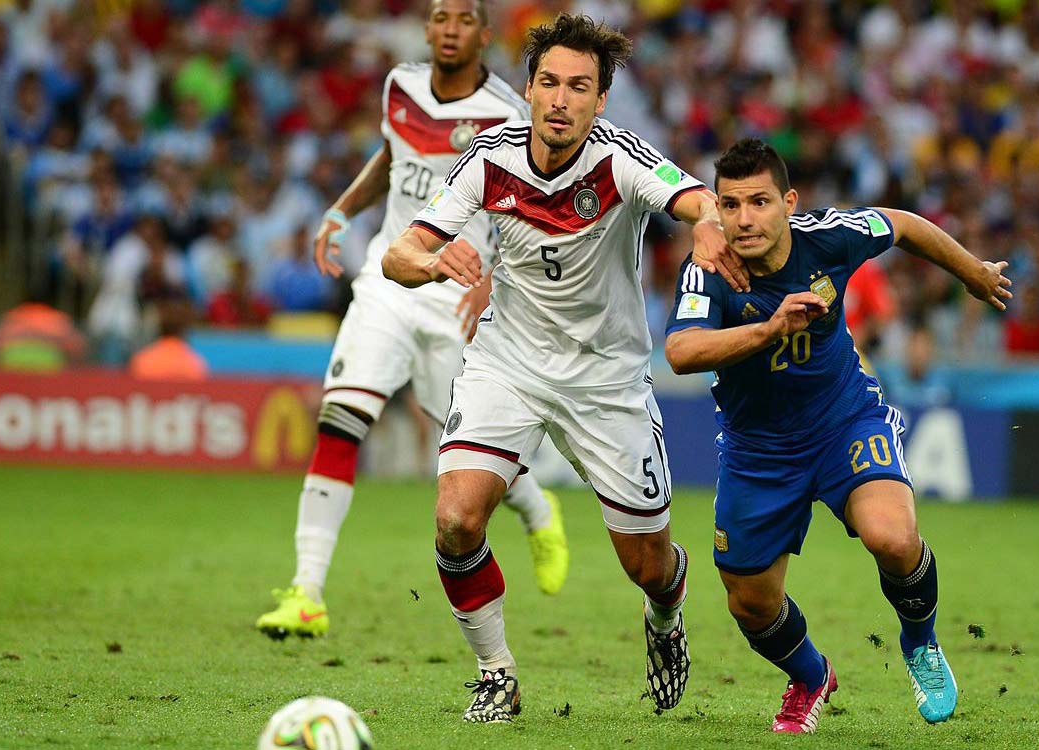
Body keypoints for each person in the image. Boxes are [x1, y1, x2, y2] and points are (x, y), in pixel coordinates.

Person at [382, 12, 739, 723]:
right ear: (530, 87)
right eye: (549, 82)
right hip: (508, 363)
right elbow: (400, 254)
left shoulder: (619, 158)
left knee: (648, 566)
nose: (561, 99)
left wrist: (706, 220)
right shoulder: (490, 157)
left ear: (600, 100)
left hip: (606, 380)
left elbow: (698, 198)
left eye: (580, 87)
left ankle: (665, 621)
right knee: (456, 519)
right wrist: (430, 262)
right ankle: (496, 673)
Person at [664, 139, 1013, 734]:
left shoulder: (830, 237)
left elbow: (902, 225)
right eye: (730, 205)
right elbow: (680, 351)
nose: (745, 219)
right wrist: (771, 330)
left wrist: (973, 272)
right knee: (750, 603)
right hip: (758, 448)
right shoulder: (709, 269)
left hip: (842, 420)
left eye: (760, 202)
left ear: (788, 203)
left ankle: (921, 642)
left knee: (894, 538)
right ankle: (810, 676)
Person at [256, 0, 570, 642]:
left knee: (472, 457)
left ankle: (539, 510)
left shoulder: (509, 112)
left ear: (484, 34)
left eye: (463, 19)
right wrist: (342, 210)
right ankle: (307, 591)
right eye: (439, 17)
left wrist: (491, 282)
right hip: (390, 279)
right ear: (427, 28)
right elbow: (390, 156)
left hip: (455, 295)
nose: (449, 29)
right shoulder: (399, 85)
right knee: (340, 420)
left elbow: (528, 207)